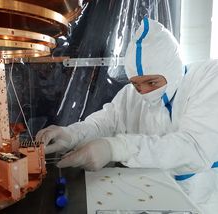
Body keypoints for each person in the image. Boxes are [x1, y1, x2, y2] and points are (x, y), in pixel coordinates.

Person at [36, 17, 218, 213]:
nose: (144, 92)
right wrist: (71, 134)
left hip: (199, 196)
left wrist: (117, 148)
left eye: (152, 82)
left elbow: (194, 147)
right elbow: (105, 122)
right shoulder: (131, 95)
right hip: (149, 188)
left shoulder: (206, 79)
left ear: (172, 68)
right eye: (137, 84)